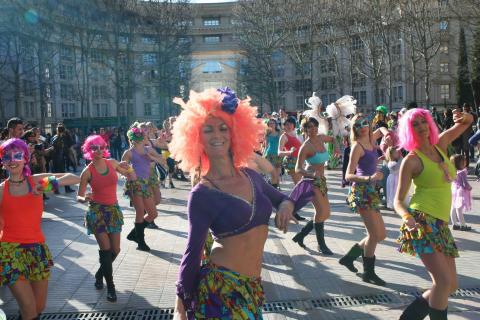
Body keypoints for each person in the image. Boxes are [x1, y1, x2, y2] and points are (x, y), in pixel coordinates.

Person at [170, 88, 296, 320]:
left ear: (234, 132)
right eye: (208, 130)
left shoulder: (251, 175)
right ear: (197, 139)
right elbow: (192, 252)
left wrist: (286, 207)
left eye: (223, 128)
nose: (217, 135)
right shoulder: (202, 194)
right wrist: (180, 307)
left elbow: (282, 199)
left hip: (252, 287)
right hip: (221, 289)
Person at [395, 108, 473, 320]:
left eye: (423, 122)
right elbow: (398, 200)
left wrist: (466, 118)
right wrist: (408, 219)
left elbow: (465, 124)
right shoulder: (411, 160)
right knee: (443, 282)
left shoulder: (440, 145)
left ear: (429, 123)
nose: (421, 127)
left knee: (451, 285)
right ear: (409, 131)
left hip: (441, 224)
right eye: (415, 125)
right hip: (422, 221)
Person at [0, 138, 80, 320]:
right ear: (3, 161)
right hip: (9, 252)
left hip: (37, 249)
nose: (13, 161)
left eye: (17, 155)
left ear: (25, 158)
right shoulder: (1, 190)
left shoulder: (34, 181)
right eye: (7, 157)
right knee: (29, 308)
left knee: (38, 307)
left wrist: (45, 186)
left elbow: (73, 177)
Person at [77, 135, 132, 302]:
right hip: (97, 213)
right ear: (89, 151)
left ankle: (100, 273)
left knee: (116, 250)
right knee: (106, 250)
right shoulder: (87, 172)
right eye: (94, 148)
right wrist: (84, 198)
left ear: (105, 148)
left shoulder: (112, 163)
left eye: (101, 147)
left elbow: (130, 175)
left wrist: (128, 168)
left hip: (113, 211)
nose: (98, 151)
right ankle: (111, 287)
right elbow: (79, 196)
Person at [339, 114, 389, 286]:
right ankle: (368, 273)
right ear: (354, 129)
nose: (363, 126)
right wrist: (370, 178)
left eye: (365, 123)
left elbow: (382, 131)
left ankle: (349, 257)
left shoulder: (371, 139)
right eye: (358, 125)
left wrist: (386, 132)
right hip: (361, 193)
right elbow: (348, 175)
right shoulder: (357, 146)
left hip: (371, 193)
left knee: (381, 234)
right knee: (374, 235)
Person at [290, 117, 334, 255]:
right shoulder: (306, 146)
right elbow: (298, 168)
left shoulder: (321, 138)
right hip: (311, 181)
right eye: (310, 127)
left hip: (321, 181)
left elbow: (333, 139)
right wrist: (313, 175)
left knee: (325, 213)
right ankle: (321, 245)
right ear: (305, 130)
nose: (313, 129)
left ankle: (301, 235)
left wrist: (337, 148)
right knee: (322, 212)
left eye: (315, 126)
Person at [122, 124, 162, 251]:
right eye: (142, 135)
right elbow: (121, 169)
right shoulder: (128, 153)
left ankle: (135, 233)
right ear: (134, 139)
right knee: (140, 212)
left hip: (145, 184)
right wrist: (129, 172)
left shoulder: (147, 149)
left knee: (153, 213)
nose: (144, 137)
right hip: (135, 184)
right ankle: (141, 242)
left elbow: (161, 160)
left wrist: (152, 158)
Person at [449, 154, 473, 231]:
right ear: (461, 163)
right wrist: (469, 188)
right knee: (459, 209)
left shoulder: (452, 171)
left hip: (453, 190)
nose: (465, 162)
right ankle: (463, 225)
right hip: (460, 191)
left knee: (453, 207)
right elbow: (465, 183)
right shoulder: (462, 172)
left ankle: (454, 224)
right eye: (464, 161)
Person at [262, 118, 282, 189]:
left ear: (275, 124)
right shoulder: (267, 134)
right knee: (273, 173)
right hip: (269, 154)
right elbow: (266, 145)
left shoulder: (279, 132)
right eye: (270, 123)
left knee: (278, 172)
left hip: (278, 154)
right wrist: (263, 154)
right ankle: (275, 187)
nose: (271, 125)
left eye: (273, 123)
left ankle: (277, 185)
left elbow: (283, 143)